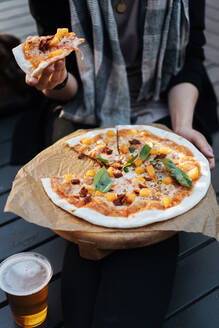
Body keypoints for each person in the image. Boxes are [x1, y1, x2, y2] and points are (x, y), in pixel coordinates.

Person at [26, 1, 218, 327]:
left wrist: (181, 129)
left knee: (149, 235)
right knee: (86, 223)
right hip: (88, 115)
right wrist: (56, 81)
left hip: (163, 112)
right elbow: (67, 85)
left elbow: (190, 64)